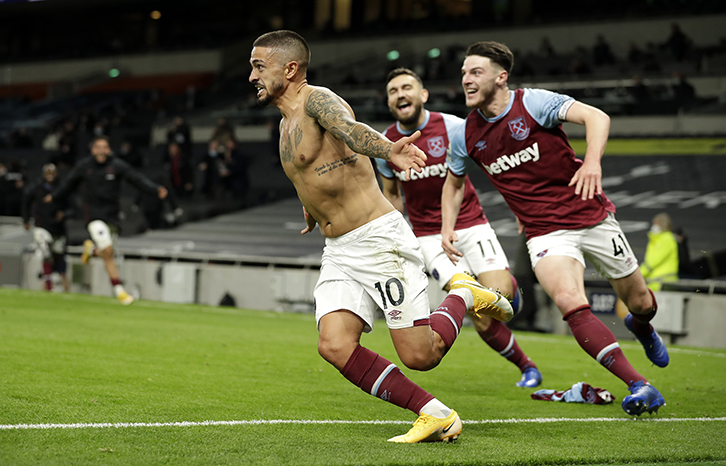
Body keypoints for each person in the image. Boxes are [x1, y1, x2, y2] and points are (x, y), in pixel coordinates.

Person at [249, 30, 513, 443]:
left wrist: (389, 149)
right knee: (334, 345)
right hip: (338, 249)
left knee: (420, 356)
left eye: (258, 66)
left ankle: (462, 294)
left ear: (291, 68)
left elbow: (351, 130)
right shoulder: (285, 125)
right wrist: (311, 205)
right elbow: (316, 169)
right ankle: (434, 413)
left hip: (379, 240)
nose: (252, 75)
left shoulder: (317, 98)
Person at [442, 41, 668, 417]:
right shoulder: (464, 135)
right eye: (464, 72)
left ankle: (641, 326)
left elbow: (598, 117)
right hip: (545, 233)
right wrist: (448, 226)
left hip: (590, 214)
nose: (466, 79)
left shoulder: (533, 104)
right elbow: (452, 183)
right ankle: (639, 385)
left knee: (641, 302)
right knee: (568, 299)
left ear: (501, 77)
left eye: (475, 72)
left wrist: (591, 163)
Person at [377, 67, 542, 388]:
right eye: (393, 91)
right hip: (428, 237)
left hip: (471, 223)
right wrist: (395, 239)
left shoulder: (453, 127)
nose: (401, 94)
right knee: (477, 307)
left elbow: (496, 165)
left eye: (407, 87)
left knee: (501, 299)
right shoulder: (387, 144)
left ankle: (512, 292)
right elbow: (392, 195)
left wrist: (521, 206)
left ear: (423, 95)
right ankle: (526, 366)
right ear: (389, 103)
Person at [45, 135, 168, 305]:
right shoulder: (85, 166)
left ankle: (92, 249)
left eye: (105, 147)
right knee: (108, 250)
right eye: (98, 147)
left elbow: (136, 179)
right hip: (94, 216)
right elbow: (68, 183)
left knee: (108, 253)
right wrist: (54, 197)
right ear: (93, 149)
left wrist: (155, 190)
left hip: (112, 217)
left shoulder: (116, 166)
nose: (101, 151)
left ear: (109, 149)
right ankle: (120, 292)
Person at [22, 163, 70, 292]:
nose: (50, 175)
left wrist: (64, 214)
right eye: (47, 172)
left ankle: (63, 283)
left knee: (58, 257)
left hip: (58, 229)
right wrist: (26, 219)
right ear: (43, 174)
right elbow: (26, 201)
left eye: (52, 172)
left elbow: (74, 208)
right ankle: (48, 284)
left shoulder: (62, 189)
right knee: (45, 252)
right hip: (41, 226)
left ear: (56, 174)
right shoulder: (37, 188)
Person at [640, 213, 679, 291]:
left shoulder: (666, 239)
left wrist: (638, 275)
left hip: (662, 282)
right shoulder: (657, 239)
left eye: (655, 223)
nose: (653, 226)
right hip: (656, 282)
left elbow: (652, 262)